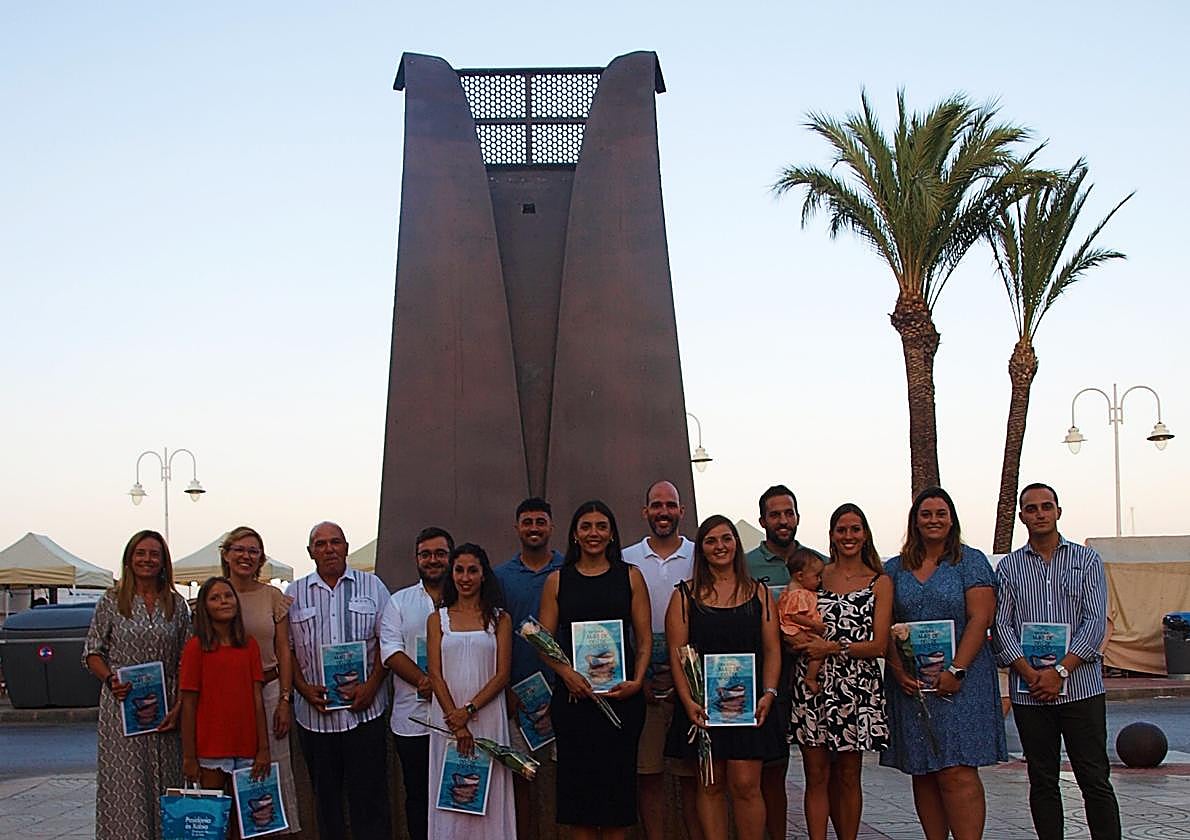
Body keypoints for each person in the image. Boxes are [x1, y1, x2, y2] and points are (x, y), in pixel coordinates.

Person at [992, 483, 1121, 840]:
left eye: (1046, 506)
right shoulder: (1009, 569)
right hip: (1030, 691)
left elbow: (1095, 622)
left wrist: (1061, 670)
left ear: (1058, 512)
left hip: (1081, 689)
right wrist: (1032, 673)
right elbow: (1000, 625)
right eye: (1031, 509)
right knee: (1042, 779)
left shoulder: (1087, 560)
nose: (1039, 514)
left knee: (1094, 778)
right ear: (1022, 517)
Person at [880, 487, 1007, 840]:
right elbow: (884, 625)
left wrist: (956, 670)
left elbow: (980, 619)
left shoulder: (971, 561)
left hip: (961, 682)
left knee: (957, 770)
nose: (933, 520)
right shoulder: (893, 568)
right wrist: (897, 669)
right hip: (913, 686)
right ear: (915, 521)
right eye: (926, 514)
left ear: (952, 519)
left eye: (941, 513)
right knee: (924, 770)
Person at [664, 515, 783, 840]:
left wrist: (769, 693)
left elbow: (773, 650)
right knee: (711, 785)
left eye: (726, 539)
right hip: (703, 708)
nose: (720, 546)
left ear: (736, 543)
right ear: (701, 548)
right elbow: (678, 654)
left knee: (746, 784)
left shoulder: (759, 593)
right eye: (711, 540)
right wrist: (688, 701)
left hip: (749, 707)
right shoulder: (684, 596)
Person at [537, 499, 649, 840]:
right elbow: (542, 641)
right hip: (574, 705)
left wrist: (637, 681)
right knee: (579, 804)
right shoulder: (558, 581)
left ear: (612, 533)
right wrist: (567, 674)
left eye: (601, 526)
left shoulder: (630, 577)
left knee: (617, 805)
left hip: (622, 701)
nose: (594, 533)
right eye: (586, 527)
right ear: (574, 535)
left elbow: (644, 641)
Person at [790, 503, 891, 840]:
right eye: (841, 529)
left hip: (856, 688)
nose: (848, 536)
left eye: (855, 529)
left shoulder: (879, 581)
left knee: (849, 774)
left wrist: (832, 648)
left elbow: (879, 645)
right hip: (813, 685)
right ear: (832, 534)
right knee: (815, 774)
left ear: (865, 534)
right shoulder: (816, 576)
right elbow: (792, 617)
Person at [286, 522, 391, 840]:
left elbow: (388, 643)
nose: (329, 549)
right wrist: (303, 689)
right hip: (315, 720)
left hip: (366, 714)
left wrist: (372, 686)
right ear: (310, 552)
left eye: (335, 542)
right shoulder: (294, 594)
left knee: (370, 801)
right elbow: (286, 651)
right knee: (326, 803)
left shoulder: (373, 586)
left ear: (346, 547)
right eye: (320, 544)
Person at [84, 530, 191, 840]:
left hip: (166, 706)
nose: (147, 559)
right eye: (141, 553)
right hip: (122, 707)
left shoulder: (176, 604)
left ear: (163, 562)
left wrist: (181, 705)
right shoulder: (112, 601)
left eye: (154, 554)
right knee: (126, 786)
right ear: (130, 559)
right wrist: (110, 679)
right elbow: (92, 651)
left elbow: (186, 659)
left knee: (167, 782)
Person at [620, 480, 702, 840]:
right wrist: (643, 675)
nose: (663, 512)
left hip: (692, 680)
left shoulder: (701, 555)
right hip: (644, 682)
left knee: (693, 776)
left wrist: (683, 677)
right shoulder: (626, 558)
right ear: (645, 512)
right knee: (648, 773)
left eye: (670, 505)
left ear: (681, 511)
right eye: (656, 505)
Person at [744, 484, 826, 840]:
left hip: (812, 676)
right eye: (774, 514)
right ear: (763, 520)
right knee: (771, 771)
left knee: (820, 769)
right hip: (768, 678)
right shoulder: (746, 563)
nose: (782, 520)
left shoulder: (816, 563)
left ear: (797, 516)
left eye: (788, 513)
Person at [427, 543, 516, 838]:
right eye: (459, 570)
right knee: (453, 792)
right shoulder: (437, 619)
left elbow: (502, 673)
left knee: (487, 794)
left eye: (472, 571)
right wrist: (455, 718)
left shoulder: (499, 619)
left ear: (483, 575)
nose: (465, 577)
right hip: (448, 721)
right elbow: (435, 674)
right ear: (451, 574)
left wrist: (469, 710)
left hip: (487, 717)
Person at [220, 526, 301, 833]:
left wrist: (284, 699)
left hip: (268, 692)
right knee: (228, 775)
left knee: (272, 776)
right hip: (227, 698)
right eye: (239, 549)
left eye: (253, 551)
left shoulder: (273, 597)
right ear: (227, 554)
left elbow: (284, 649)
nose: (246, 556)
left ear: (261, 558)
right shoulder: (215, 593)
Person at [493, 499, 565, 840]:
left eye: (540, 521)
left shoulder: (569, 570)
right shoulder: (501, 577)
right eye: (527, 522)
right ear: (516, 527)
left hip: (567, 694)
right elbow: (493, 637)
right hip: (519, 702)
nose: (534, 527)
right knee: (522, 784)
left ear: (551, 526)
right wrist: (504, 689)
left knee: (567, 783)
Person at [380, 526, 453, 840]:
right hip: (414, 720)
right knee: (419, 797)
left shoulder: (466, 598)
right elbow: (391, 651)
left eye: (440, 553)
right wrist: (427, 681)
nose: (433, 560)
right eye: (426, 554)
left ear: (450, 557)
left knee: (458, 794)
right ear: (416, 559)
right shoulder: (399, 602)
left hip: (459, 718)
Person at [180, 577, 269, 806]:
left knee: (248, 821)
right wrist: (189, 756)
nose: (224, 602)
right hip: (211, 747)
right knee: (214, 818)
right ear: (204, 606)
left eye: (228, 596)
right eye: (215, 598)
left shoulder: (249, 646)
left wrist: (263, 749)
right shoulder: (195, 648)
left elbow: (257, 699)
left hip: (247, 745)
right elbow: (188, 704)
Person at [777, 548, 826, 694]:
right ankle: (810, 678)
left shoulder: (796, 591)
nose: (820, 580)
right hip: (794, 630)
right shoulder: (797, 594)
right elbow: (794, 615)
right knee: (819, 650)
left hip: (795, 630)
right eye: (817, 576)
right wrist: (814, 624)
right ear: (800, 576)